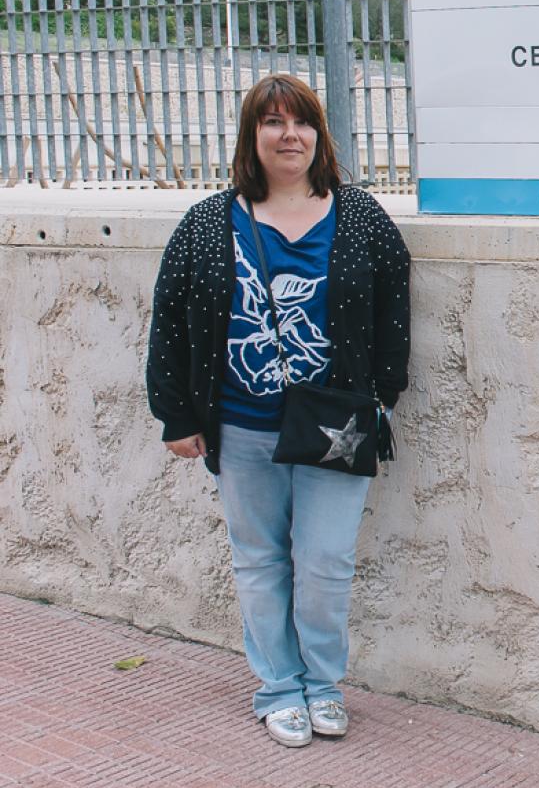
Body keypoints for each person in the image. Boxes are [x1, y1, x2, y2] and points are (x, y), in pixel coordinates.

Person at [146, 74, 411, 748]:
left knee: (325, 562)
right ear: (252, 136)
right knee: (260, 559)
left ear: (319, 135)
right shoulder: (209, 223)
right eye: (272, 122)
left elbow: (394, 312)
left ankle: (323, 684)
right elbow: (170, 322)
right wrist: (176, 415)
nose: (288, 134)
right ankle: (278, 688)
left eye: (301, 122)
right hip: (241, 425)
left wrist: (383, 395)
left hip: (335, 427)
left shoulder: (361, 218)